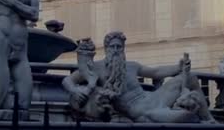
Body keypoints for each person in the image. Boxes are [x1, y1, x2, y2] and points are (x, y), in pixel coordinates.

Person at [63, 31, 215, 123]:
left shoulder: (131, 66)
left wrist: (178, 67)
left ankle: (209, 120)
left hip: (153, 98)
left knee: (191, 77)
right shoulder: (96, 68)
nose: (116, 50)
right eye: (112, 47)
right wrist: (75, 91)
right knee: (184, 117)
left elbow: (155, 72)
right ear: (106, 48)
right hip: (141, 111)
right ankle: (184, 111)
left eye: (119, 47)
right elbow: (67, 80)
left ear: (123, 49)